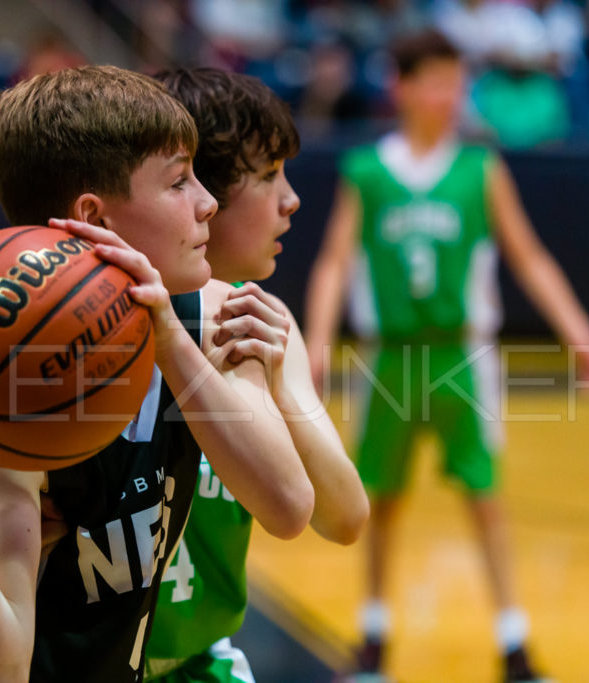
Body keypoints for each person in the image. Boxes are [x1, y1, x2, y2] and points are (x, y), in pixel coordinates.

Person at [0, 64, 316, 682]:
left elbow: (288, 508)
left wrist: (169, 338)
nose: (208, 203)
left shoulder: (201, 318)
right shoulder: (16, 374)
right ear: (95, 218)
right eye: (179, 182)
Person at [304, 29, 589, 683]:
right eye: (440, 82)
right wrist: (318, 340)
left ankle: (514, 641)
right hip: (388, 358)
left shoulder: (480, 168)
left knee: (485, 495)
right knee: (379, 499)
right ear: (403, 88)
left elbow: (528, 255)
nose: (452, 95)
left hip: (461, 354)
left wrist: (580, 334)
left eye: (458, 83)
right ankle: (374, 633)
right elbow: (334, 259)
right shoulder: (367, 170)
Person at [144, 67, 370, 683]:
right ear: (201, 193)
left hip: (196, 663)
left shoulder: (263, 322)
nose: (291, 198)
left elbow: (343, 516)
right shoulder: (95, 310)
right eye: (268, 175)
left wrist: (284, 384)